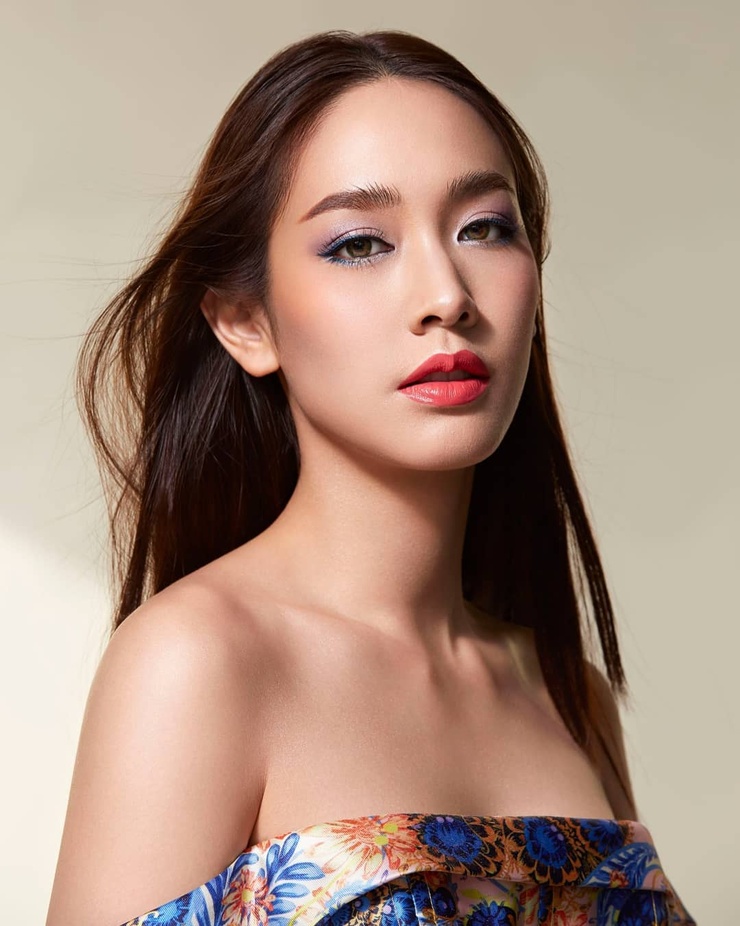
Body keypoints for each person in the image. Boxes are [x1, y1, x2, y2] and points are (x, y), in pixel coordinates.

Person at [45, 28, 695, 926]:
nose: (446, 294)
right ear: (245, 323)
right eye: (359, 244)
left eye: (484, 228)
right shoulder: (199, 662)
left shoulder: (567, 693)